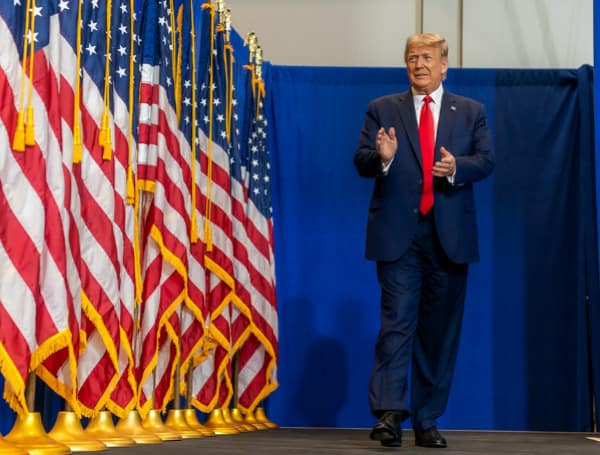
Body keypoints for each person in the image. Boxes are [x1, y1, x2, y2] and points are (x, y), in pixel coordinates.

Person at [354, 33, 495, 448]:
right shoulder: (382, 109)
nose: (419, 64)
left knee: (438, 333)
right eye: (412, 57)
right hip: (399, 236)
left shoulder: (471, 112)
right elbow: (362, 160)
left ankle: (427, 419)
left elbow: (486, 160)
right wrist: (383, 158)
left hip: (448, 238)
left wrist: (457, 167)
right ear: (406, 64)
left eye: (427, 58)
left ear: (444, 65)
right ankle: (390, 415)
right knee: (396, 324)